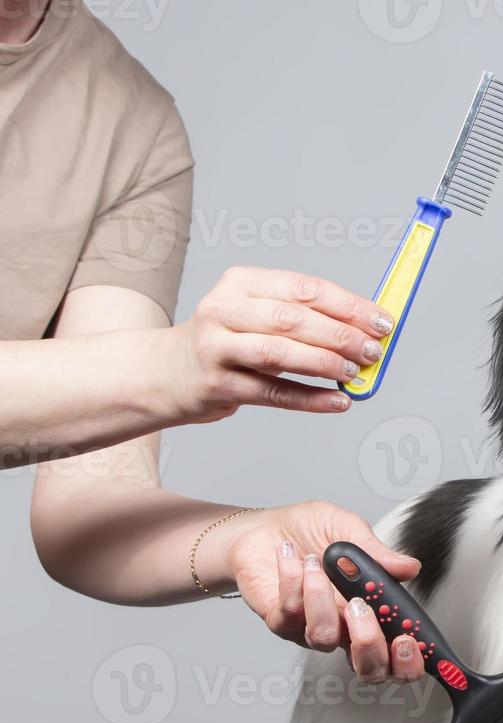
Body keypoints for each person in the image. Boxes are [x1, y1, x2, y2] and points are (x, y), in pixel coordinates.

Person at [1, 0, 424, 684]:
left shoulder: (132, 125)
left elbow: (90, 494)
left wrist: (252, 539)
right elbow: (156, 373)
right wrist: (175, 366)